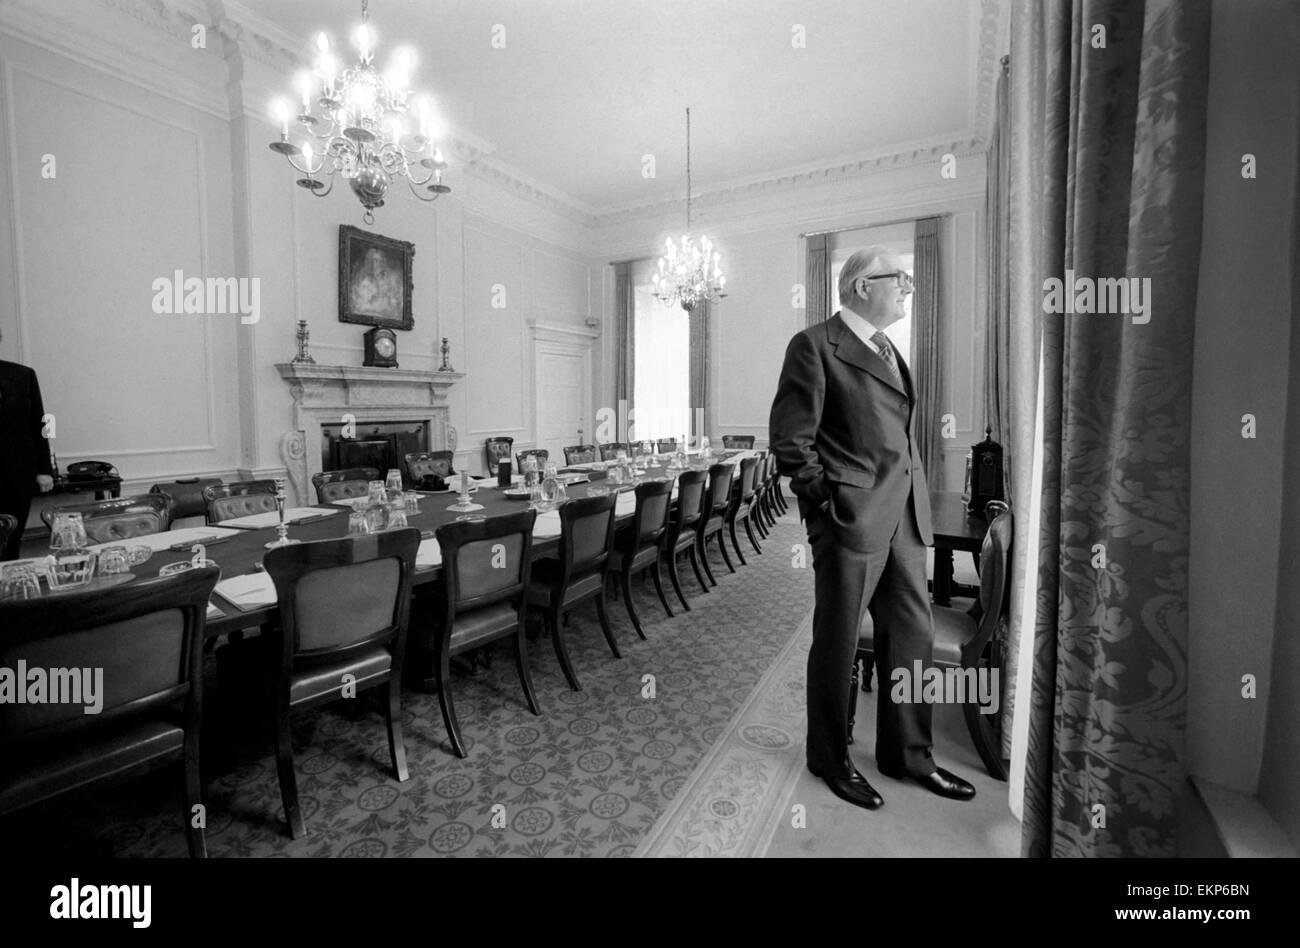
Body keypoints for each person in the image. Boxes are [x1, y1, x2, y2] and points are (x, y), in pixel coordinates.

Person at [768, 246, 975, 810]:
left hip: (906, 518)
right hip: (851, 523)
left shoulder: (889, 349)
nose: (908, 286)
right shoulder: (814, 346)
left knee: (912, 638)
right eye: (898, 278)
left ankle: (907, 755)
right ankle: (830, 757)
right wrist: (829, 511)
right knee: (837, 642)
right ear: (862, 286)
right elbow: (791, 444)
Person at [0, 334, 54, 559]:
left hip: (18, 473)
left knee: (11, 540)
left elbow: (40, 423)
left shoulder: (22, 375)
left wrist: (44, 470)